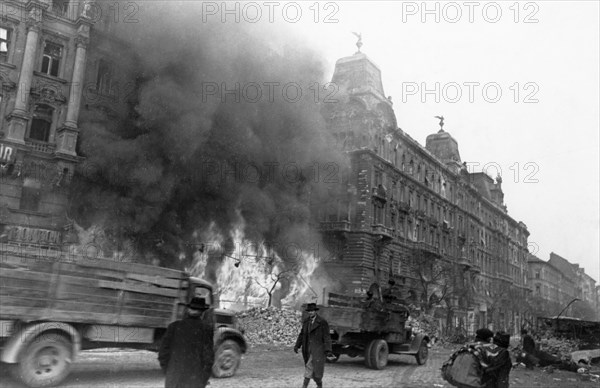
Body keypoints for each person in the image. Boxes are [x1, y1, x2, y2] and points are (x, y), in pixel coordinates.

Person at [158, 297, 215, 388]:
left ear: (188, 309)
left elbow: (162, 354)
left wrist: (169, 371)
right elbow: (208, 358)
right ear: (202, 312)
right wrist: (203, 379)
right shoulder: (206, 329)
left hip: (173, 379)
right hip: (195, 381)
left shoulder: (173, 327)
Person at [294, 303, 333, 388]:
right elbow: (302, 334)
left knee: (309, 367)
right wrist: (297, 345)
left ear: (315, 311)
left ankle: (304, 386)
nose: (311, 312)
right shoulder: (306, 321)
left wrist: (328, 350)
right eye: (309, 311)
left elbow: (326, 336)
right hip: (307, 349)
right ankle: (319, 385)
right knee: (315, 373)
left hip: (318, 350)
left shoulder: (322, 322)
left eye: (312, 311)